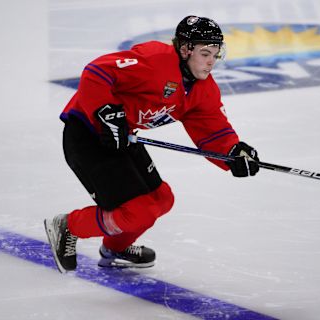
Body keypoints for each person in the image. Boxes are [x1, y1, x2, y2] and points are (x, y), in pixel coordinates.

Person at [44, 15, 260, 273]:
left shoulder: (203, 89)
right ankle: (68, 226)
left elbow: (212, 130)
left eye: (216, 53)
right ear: (184, 49)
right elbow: (97, 71)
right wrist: (106, 112)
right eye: (205, 53)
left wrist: (233, 153)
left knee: (161, 198)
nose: (212, 61)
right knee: (137, 211)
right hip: (87, 135)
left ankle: (115, 248)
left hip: (124, 138)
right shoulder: (154, 60)